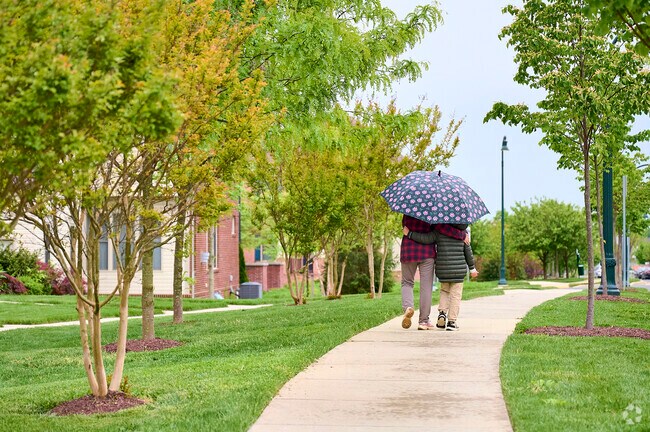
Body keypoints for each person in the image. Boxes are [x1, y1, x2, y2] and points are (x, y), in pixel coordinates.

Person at [403, 223, 478, 331]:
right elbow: (468, 252)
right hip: (458, 271)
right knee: (455, 296)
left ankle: (442, 314)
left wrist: (410, 234)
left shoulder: (440, 230)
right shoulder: (463, 234)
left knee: (445, 292)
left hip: (443, 269)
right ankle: (452, 322)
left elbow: (426, 239)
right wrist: (472, 268)